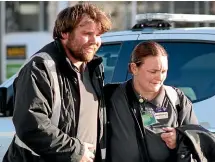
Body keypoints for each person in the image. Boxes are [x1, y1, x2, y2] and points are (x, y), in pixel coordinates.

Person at [3, 3, 111, 162]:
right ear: (64, 33)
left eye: (99, 34)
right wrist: (75, 151)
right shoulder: (40, 67)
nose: (95, 41)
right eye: (87, 33)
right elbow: (31, 127)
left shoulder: (93, 68)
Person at [104, 41, 198, 162]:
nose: (160, 78)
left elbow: (197, 140)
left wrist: (180, 138)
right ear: (134, 68)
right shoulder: (111, 96)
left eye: (164, 71)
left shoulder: (176, 99)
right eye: (153, 72)